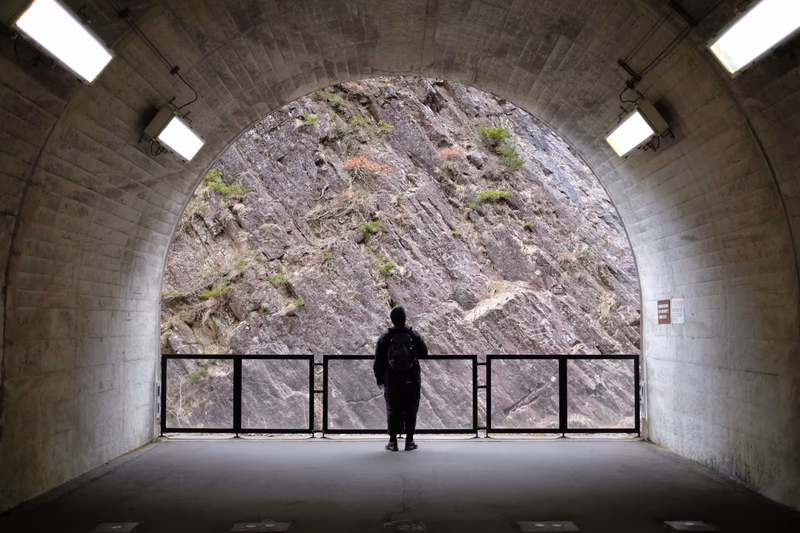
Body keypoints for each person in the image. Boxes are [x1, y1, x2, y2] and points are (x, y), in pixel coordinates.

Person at [373, 306, 428, 451]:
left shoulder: (385, 337)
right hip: (412, 380)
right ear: (405, 319)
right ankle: (409, 441)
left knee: (393, 409)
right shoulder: (413, 334)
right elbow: (424, 353)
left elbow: (378, 360)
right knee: (411, 410)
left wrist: (379, 379)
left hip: (392, 380)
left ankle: (392, 442)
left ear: (392, 320)